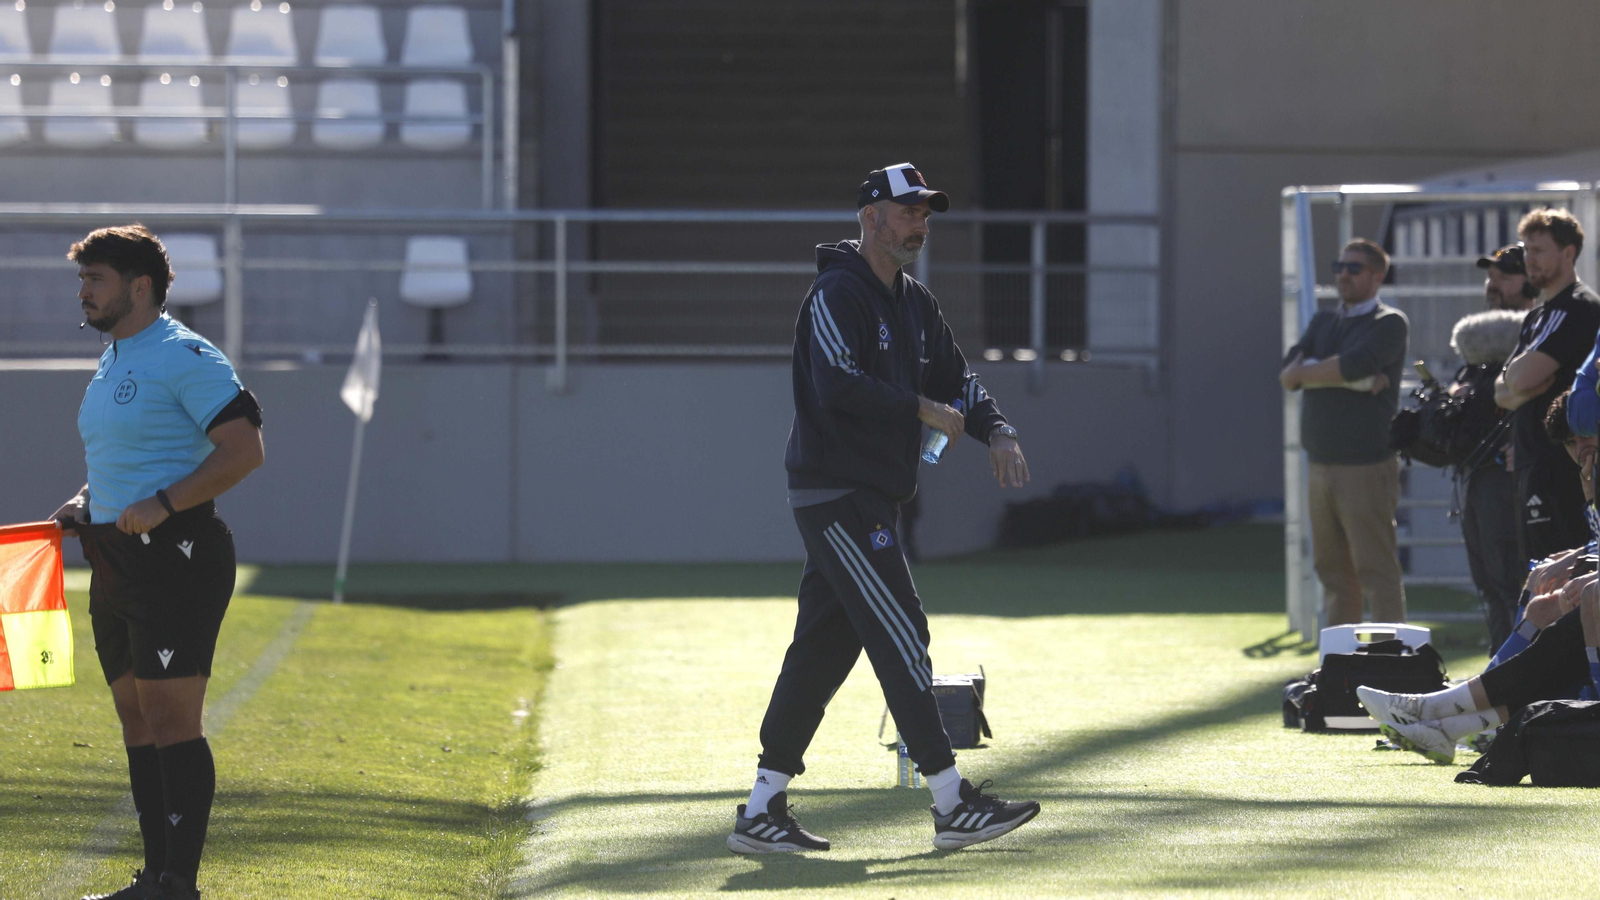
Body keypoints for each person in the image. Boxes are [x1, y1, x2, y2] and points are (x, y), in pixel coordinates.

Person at [728, 164, 1039, 856]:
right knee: (901, 630)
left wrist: (999, 429)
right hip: (836, 493)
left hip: (869, 495)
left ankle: (760, 809)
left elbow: (958, 379)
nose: (920, 225)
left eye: (926, 215)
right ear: (871, 217)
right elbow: (838, 382)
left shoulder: (915, 302)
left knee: (821, 652)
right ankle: (953, 802)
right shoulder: (835, 294)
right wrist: (920, 407)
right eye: (908, 213)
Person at [53, 225, 265, 900]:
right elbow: (133, 453)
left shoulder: (186, 355)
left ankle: (179, 883)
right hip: (112, 557)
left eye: (96, 280)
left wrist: (167, 503)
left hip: (177, 557)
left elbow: (243, 451)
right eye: (82, 280)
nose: (83, 293)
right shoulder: (116, 357)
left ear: (139, 287)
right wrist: (88, 500)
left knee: (173, 720)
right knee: (136, 719)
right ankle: (154, 876)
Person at [1359, 390, 1600, 764]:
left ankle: (1438, 711)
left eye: (1586, 434)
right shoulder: (1591, 476)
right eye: (1571, 441)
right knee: (1542, 608)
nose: (1580, 447)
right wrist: (1578, 556)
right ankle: (1451, 726)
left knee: (1575, 615)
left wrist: (1585, 568)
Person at [1280, 238, 1410, 626]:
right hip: (1320, 464)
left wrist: (1312, 372)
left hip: (1366, 466)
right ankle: (1338, 667)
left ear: (1377, 275)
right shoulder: (1324, 321)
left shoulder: (1389, 322)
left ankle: (1391, 660)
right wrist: (1342, 377)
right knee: (1332, 572)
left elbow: (1354, 364)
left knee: (1375, 568)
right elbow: (1288, 374)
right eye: (1339, 266)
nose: (1343, 275)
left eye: (1354, 268)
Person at [1495, 209, 1600, 565]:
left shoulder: (1580, 307)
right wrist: (1522, 384)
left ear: (1568, 252)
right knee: (1535, 575)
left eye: (1539, 250)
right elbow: (1502, 389)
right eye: (1527, 249)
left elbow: (1518, 379)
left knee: (1567, 575)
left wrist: (1519, 383)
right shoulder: (1536, 316)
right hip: (1530, 461)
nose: (1529, 259)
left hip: (1566, 466)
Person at [1453, 244, 1535, 651]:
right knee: (1488, 582)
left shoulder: (1541, 337)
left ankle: (1517, 678)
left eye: (1505, 275)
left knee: (1513, 585)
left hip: (1512, 479)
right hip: (1476, 474)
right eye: (1491, 275)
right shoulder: (1477, 349)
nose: (1493, 283)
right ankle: (1500, 671)